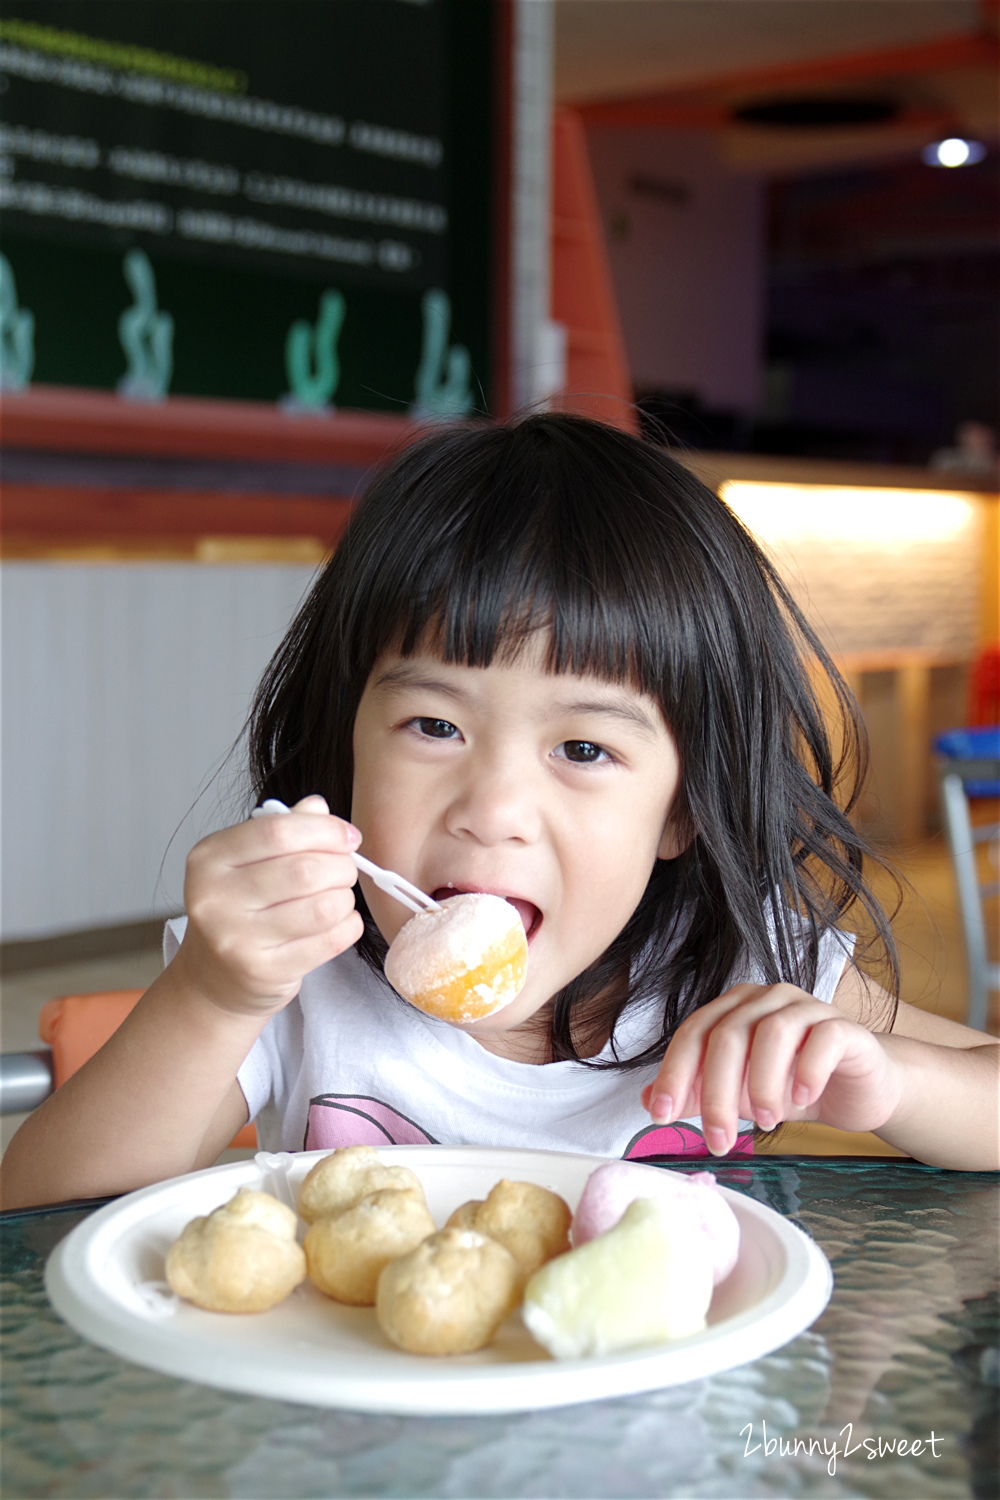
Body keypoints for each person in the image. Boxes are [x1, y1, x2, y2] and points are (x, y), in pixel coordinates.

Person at [3, 415, 997, 1209]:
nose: (494, 811)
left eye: (582, 749)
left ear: (681, 812)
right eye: (434, 726)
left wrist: (891, 1083)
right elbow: (43, 1217)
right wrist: (212, 998)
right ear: (345, 746)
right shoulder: (291, 979)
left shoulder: (743, 965)